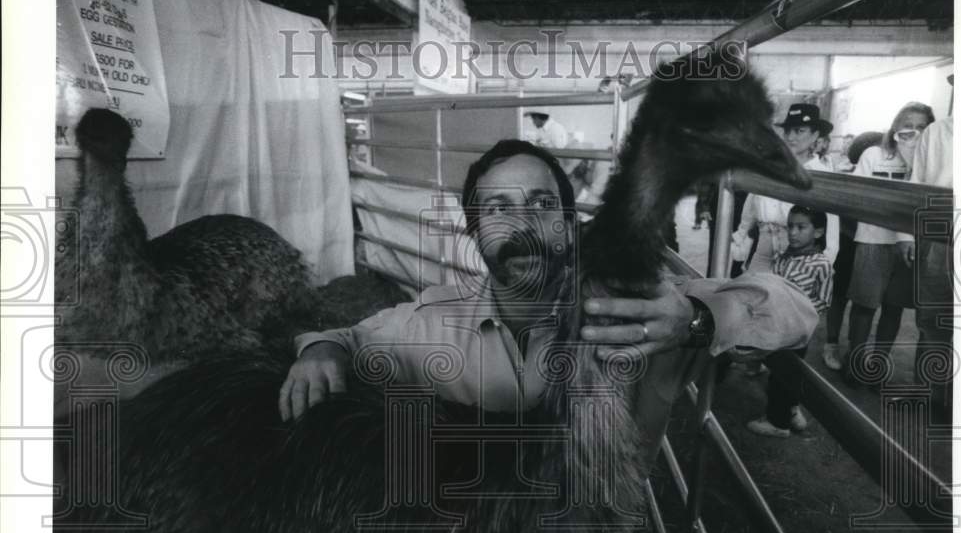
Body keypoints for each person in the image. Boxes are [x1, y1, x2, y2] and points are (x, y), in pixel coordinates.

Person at [279, 140, 817, 422]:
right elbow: (346, 339)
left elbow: (797, 311)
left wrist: (699, 322)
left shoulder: (644, 317)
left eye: (541, 205)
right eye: (497, 209)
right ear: (474, 231)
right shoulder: (428, 324)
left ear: (566, 223)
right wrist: (321, 351)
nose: (523, 225)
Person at [843, 103, 935, 388]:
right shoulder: (874, 154)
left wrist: (915, 157)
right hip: (873, 238)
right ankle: (855, 362)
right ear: (895, 126)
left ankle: (877, 366)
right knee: (864, 305)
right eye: (907, 124)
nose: (913, 131)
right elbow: (856, 194)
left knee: (893, 308)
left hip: (908, 244)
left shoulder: (927, 159)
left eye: (921, 127)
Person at [747, 206, 833, 438]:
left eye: (801, 227)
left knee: (782, 375)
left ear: (818, 232)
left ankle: (778, 423)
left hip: (797, 330)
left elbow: (823, 301)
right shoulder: (783, 257)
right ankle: (792, 409)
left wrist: (798, 313)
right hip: (776, 325)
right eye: (790, 227)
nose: (792, 232)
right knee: (787, 372)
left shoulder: (822, 264)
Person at [897, 75, 953, 423]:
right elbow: (916, 183)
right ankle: (928, 393)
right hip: (936, 233)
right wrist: (906, 236)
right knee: (931, 318)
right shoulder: (936, 132)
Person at [732, 104, 841, 274]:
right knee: (753, 292)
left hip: (798, 253)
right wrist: (740, 237)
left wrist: (826, 261)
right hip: (763, 248)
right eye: (788, 130)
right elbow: (750, 207)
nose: (791, 137)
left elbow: (832, 229)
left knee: (788, 298)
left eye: (799, 131)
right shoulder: (769, 167)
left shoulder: (822, 174)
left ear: (815, 135)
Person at [822, 130, 884, 371]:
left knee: (861, 302)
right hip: (847, 241)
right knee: (838, 297)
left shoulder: (880, 176)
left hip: (868, 243)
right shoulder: (848, 176)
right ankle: (831, 343)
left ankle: (853, 348)